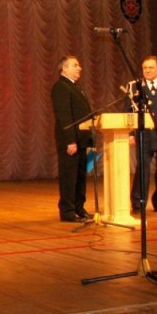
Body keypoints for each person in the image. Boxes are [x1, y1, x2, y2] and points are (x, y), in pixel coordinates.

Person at [125, 55, 157, 213]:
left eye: (151, 67)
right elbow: (127, 111)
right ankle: (138, 203)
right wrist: (130, 134)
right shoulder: (134, 86)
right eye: (145, 68)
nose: (147, 70)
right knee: (142, 170)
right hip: (144, 134)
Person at [51, 55, 93, 222]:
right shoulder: (61, 87)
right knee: (69, 177)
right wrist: (70, 140)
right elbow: (64, 116)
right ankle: (67, 211)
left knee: (80, 177)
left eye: (79, 65)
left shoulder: (75, 87)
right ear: (64, 69)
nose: (79, 68)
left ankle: (79, 208)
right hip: (71, 142)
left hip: (81, 140)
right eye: (75, 65)